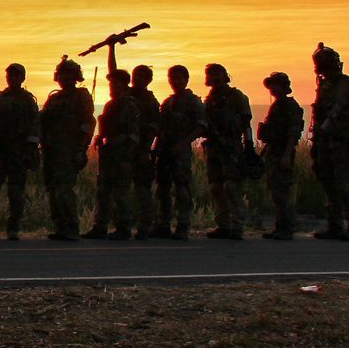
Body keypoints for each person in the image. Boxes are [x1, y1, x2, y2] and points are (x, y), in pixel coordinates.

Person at [311, 44, 349, 241]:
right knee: (329, 184)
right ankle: (335, 225)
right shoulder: (324, 87)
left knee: (343, 184)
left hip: (344, 143)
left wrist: (346, 115)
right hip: (326, 143)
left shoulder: (346, 85)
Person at [106, 41, 160, 240]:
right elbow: (114, 73)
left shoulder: (150, 101)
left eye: (142, 77)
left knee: (142, 189)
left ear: (149, 80)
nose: (138, 79)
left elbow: (154, 127)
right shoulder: (126, 94)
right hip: (125, 150)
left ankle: (145, 226)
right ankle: (124, 226)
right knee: (121, 189)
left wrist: (146, 150)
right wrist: (111, 48)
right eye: (136, 75)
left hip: (141, 150)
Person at [0, 63, 39, 241]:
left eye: (15, 75)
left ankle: (13, 229)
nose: (11, 78)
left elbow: (34, 125)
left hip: (18, 152)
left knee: (16, 193)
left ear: (22, 78)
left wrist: (29, 149)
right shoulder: (0, 99)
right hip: (0, 151)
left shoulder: (27, 100)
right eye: (9, 75)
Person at [40, 57, 95, 241]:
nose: (64, 77)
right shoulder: (54, 98)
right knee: (53, 190)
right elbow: (43, 121)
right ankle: (61, 227)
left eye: (68, 74)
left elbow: (88, 123)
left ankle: (72, 228)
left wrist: (81, 148)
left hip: (69, 151)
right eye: (62, 73)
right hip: (52, 151)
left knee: (64, 190)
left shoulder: (81, 96)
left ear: (75, 76)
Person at [82, 69, 140, 240]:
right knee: (103, 192)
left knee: (120, 193)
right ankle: (100, 226)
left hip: (121, 154)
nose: (112, 86)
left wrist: (127, 157)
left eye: (115, 83)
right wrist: (100, 138)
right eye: (111, 83)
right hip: (109, 155)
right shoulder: (111, 105)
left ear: (123, 84)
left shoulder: (129, 106)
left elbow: (133, 135)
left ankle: (123, 227)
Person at [152, 65, 207, 240]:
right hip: (165, 150)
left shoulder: (193, 101)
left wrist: (183, 144)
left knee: (182, 188)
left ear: (186, 79)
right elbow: (161, 128)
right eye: (172, 78)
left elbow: (201, 126)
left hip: (180, 151)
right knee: (163, 189)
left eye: (178, 78)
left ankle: (183, 225)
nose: (175, 82)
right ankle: (163, 224)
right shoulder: (168, 102)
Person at [202, 63, 253, 240]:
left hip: (231, 145)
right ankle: (223, 224)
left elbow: (246, 122)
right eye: (211, 74)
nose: (214, 78)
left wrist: (249, 146)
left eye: (217, 74)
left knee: (231, 186)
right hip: (214, 147)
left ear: (225, 75)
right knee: (216, 186)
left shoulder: (235, 96)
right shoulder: (209, 99)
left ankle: (237, 225)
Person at [257, 72, 304, 240]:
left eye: (276, 85)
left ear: (284, 87)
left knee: (281, 190)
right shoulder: (277, 105)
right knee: (276, 190)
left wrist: (286, 155)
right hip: (274, 151)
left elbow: (293, 133)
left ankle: (286, 227)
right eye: (271, 85)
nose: (272, 88)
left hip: (282, 152)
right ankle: (280, 226)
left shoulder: (289, 106)